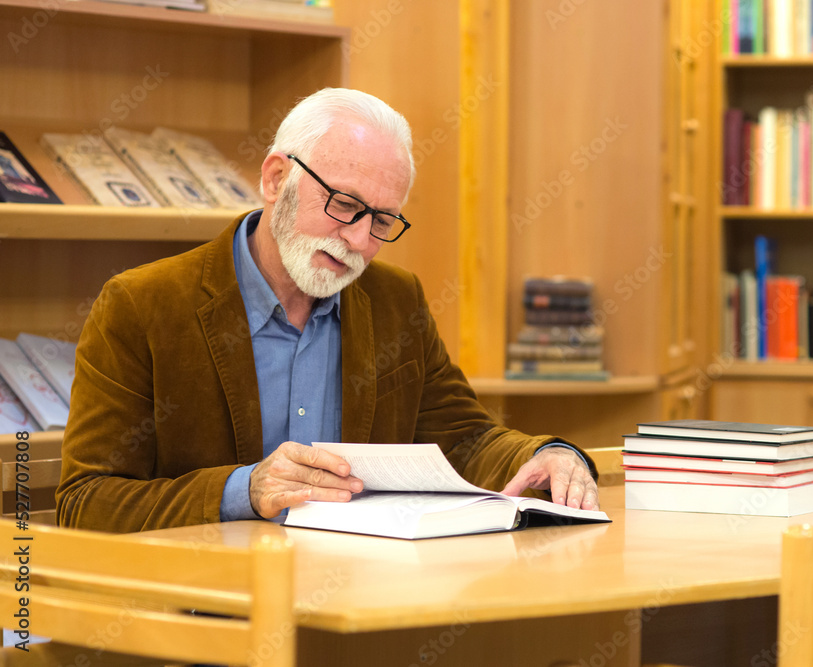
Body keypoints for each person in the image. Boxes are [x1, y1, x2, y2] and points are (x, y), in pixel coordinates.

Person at [56, 88, 600, 533]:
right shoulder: (142, 305)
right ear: (276, 180)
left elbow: (465, 439)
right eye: (343, 204)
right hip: (206, 604)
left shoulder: (395, 300)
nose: (359, 240)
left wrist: (549, 455)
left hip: (359, 594)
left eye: (382, 221)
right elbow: (87, 501)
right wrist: (244, 490)